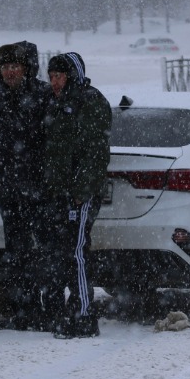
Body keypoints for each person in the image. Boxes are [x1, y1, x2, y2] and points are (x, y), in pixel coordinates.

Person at [0, 41, 56, 330]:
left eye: (15, 66)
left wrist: (45, 178)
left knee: (48, 251)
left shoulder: (43, 95)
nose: (10, 72)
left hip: (42, 190)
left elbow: (52, 140)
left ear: (27, 69)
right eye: (5, 67)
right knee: (17, 252)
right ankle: (24, 308)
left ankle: (51, 307)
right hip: (10, 192)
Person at [41, 52, 112, 339]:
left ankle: (84, 314)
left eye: (59, 76)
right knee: (59, 252)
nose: (54, 82)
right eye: (51, 76)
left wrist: (82, 190)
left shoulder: (90, 101)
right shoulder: (55, 103)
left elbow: (95, 152)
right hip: (57, 193)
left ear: (72, 76)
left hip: (79, 195)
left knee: (77, 253)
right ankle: (66, 311)